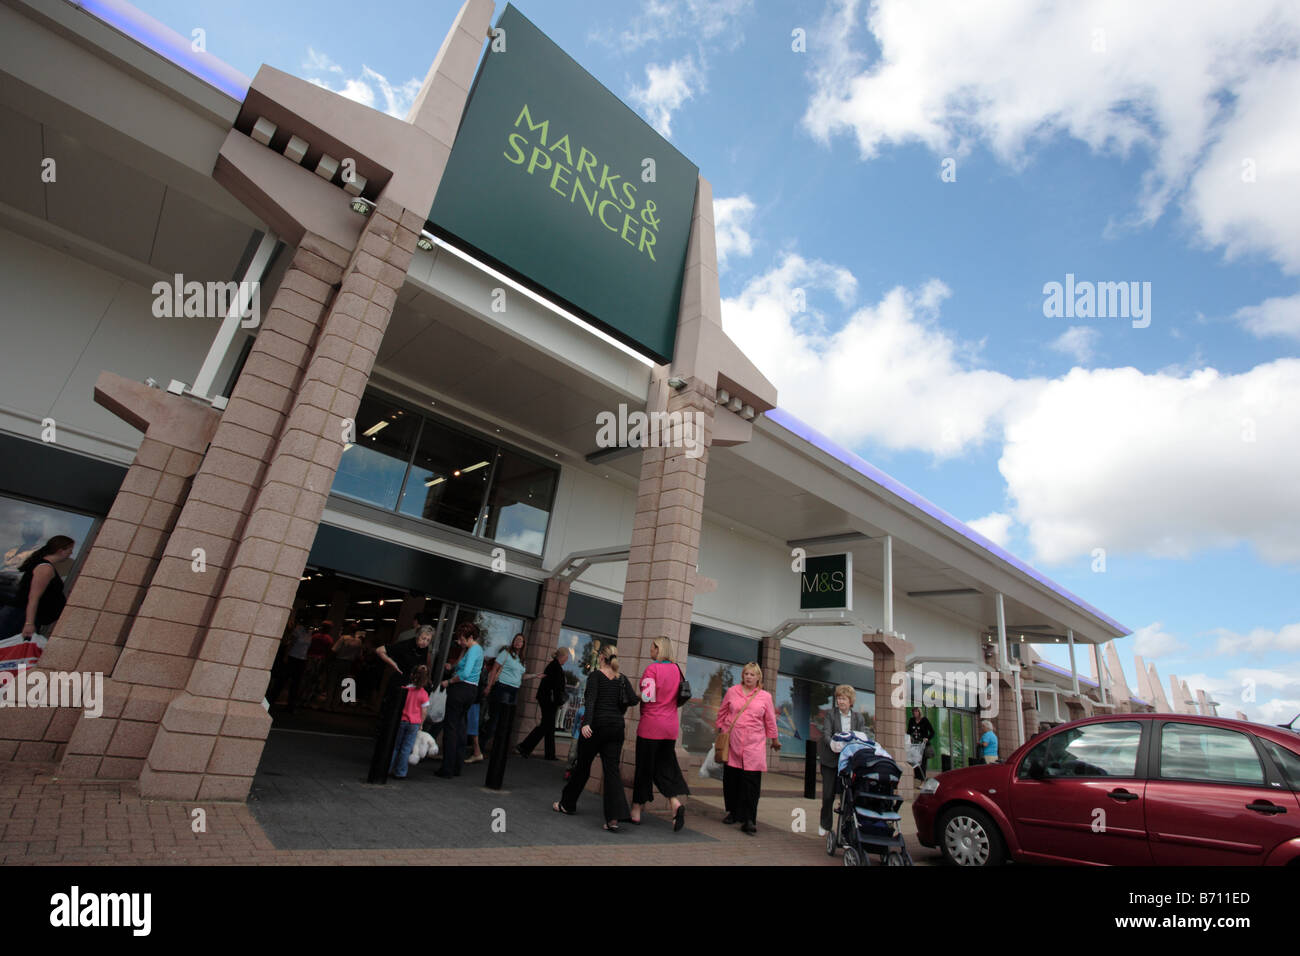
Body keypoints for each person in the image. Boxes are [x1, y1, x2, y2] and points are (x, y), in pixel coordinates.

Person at [553, 644, 632, 831]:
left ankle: (567, 804)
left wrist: (587, 723)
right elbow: (631, 699)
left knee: (582, 767)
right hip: (616, 729)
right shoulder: (622, 678)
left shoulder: (595, 676)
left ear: (601, 658)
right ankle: (614, 818)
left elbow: (590, 700)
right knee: (612, 772)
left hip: (596, 727)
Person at [628, 636, 690, 831]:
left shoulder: (652, 669)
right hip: (670, 728)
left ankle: (636, 809)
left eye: (652, 647)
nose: (650, 650)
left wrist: (633, 695)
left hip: (651, 727)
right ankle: (675, 803)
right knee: (663, 767)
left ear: (658, 649)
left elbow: (647, 697)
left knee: (644, 769)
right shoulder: (677, 670)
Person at [715, 662, 780, 835]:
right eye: (746, 674)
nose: (749, 677)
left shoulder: (765, 696)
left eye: (752, 674)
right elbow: (722, 712)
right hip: (733, 741)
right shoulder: (732, 691)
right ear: (742, 675)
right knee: (732, 779)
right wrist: (722, 729)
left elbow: (770, 720)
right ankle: (733, 812)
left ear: (759, 677)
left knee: (751, 782)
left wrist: (774, 740)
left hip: (754, 744)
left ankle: (749, 819)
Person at [0, 535, 73, 639]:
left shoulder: (42, 565)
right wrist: (29, 623)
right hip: (19, 617)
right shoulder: (45, 568)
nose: (71, 553)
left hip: (22, 616)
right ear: (61, 550)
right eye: (70, 550)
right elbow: (33, 597)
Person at [819, 685, 867, 837]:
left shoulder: (858, 718)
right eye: (839, 698)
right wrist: (832, 743)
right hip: (830, 761)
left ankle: (846, 830)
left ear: (850, 701)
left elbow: (862, 736)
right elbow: (825, 733)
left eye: (844, 699)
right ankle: (825, 824)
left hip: (849, 763)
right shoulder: (830, 715)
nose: (840, 701)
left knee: (848, 798)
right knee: (828, 795)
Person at [436, 622, 483, 778]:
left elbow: (465, 674)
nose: (460, 642)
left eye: (462, 639)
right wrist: (455, 665)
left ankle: (447, 768)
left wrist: (448, 682)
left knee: (450, 728)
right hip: (471, 691)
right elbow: (465, 669)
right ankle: (456, 766)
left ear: (470, 637)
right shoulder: (475, 650)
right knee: (461, 727)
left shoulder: (474, 650)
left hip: (461, 689)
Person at [481, 633, 535, 747]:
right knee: (495, 719)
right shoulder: (505, 654)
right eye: (516, 640)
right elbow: (495, 670)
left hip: (514, 691)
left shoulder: (522, 660)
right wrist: (489, 686)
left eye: (520, 641)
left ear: (523, 644)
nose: (518, 642)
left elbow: (521, 676)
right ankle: (480, 745)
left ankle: (497, 749)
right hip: (502, 688)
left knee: (505, 722)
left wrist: (535, 675)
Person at [517, 647, 570, 760]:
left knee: (549, 726)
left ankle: (549, 754)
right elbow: (556, 687)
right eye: (566, 658)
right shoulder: (555, 667)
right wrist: (559, 701)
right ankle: (524, 746)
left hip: (547, 699)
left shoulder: (553, 666)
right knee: (546, 725)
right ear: (563, 657)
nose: (567, 660)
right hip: (549, 701)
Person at [389, 665, 430, 779]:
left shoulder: (405, 690)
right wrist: (421, 723)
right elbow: (424, 711)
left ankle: (387, 767)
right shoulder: (424, 694)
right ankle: (401, 772)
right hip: (414, 723)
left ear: (412, 676)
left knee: (395, 746)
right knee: (407, 748)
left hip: (402, 720)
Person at [907, 706, 936, 782]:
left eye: (916, 711)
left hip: (923, 745)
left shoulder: (924, 720)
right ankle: (917, 779)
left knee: (922, 763)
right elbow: (908, 732)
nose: (915, 713)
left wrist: (927, 738)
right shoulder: (911, 720)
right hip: (914, 745)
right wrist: (909, 738)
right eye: (914, 711)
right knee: (915, 762)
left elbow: (932, 732)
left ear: (919, 712)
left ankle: (923, 780)